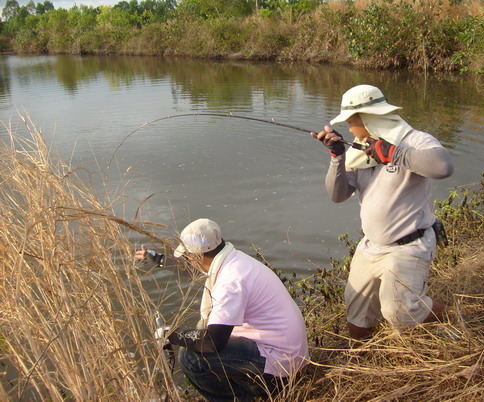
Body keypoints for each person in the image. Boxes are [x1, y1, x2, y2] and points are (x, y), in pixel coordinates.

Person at [311, 84, 458, 341]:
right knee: (356, 316)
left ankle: (453, 317)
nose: (348, 127)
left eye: (351, 121)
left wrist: (394, 154)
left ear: (368, 117)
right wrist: (337, 157)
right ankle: (359, 361)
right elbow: (338, 195)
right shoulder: (360, 150)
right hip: (371, 246)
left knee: (400, 312)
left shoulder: (415, 141)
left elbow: (443, 167)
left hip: (408, 245)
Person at [135, 218, 309, 401]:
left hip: (282, 366)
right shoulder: (231, 260)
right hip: (289, 353)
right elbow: (194, 270)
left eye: (187, 256)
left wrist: (173, 334)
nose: (187, 260)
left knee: (192, 357)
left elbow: (212, 342)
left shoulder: (230, 282)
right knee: (199, 342)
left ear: (198, 256)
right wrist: (159, 260)